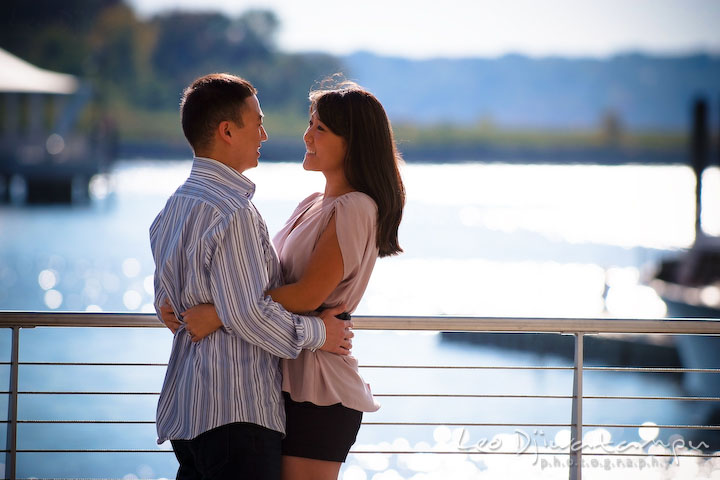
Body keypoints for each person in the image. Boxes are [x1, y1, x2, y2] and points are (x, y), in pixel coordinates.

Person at [161, 80, 406, 480]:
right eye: (310, 124)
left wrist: (219, 313)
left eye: (320, 129)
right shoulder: (312, 204)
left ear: (353, 142)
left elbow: (308, 294)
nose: (306, 135)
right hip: (283, 379)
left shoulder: (355, 207)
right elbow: (259, 279)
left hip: (319, 387)